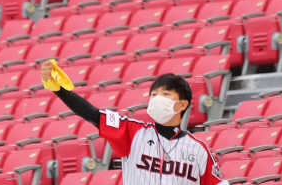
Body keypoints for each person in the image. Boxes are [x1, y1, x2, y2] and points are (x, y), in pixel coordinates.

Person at [41, 60, 229, 185]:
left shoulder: (198, 150)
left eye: (165, 94)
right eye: (153, 94)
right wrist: (59, 90)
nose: (156, 99)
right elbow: (92, 114)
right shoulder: (132, 132)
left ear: (182, 104)